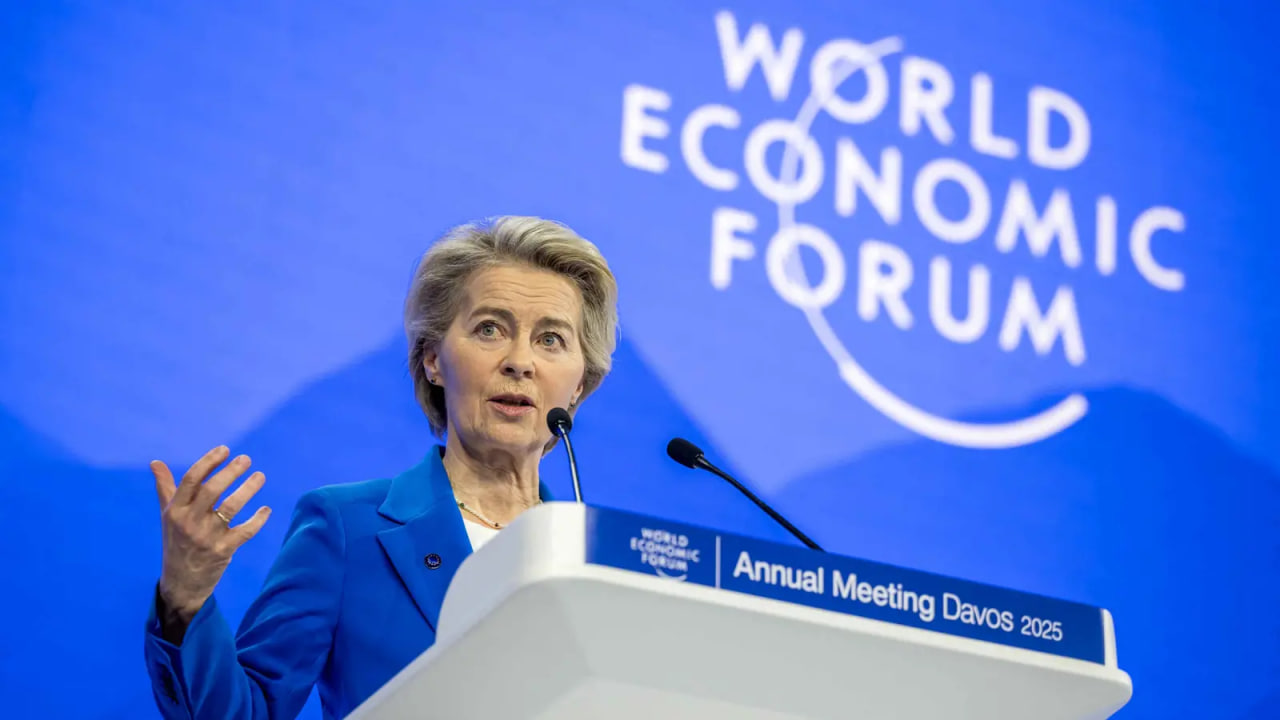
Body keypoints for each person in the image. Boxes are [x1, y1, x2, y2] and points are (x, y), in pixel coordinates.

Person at [143, 216, 619, 719]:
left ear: (579, 384)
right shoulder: (348, 528)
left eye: (551, 339)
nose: (520, 361)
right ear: (433, 359)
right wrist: (185, 599)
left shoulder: (601, 562)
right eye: (489, 329)